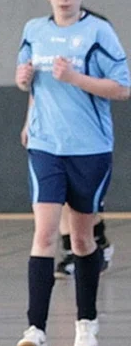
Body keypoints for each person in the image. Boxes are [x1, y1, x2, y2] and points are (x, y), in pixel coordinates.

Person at [14, 0, 129, 346]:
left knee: (81, 238)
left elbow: (121, 89)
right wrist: (25, 87)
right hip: (46, 146)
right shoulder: (34, 31)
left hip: (89, 148)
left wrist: (75, 79)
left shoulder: (99, 33)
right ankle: (35, 329)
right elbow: (27, 78)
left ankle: (86, 322)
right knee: (44, 233)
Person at [20, 105, 115, 278]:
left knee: (81, 204)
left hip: (87, 136)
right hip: (50, 135)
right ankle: (70, 246)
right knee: (54, 196)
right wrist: (30, 120)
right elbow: (37, 86)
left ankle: (97, 236)